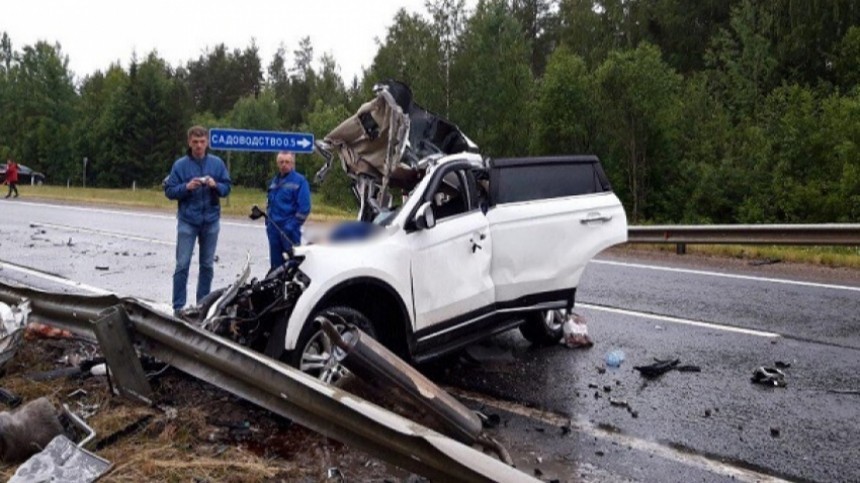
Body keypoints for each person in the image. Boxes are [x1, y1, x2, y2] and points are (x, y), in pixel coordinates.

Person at [163, 126, 231, 315]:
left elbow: (227, 188)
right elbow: (169, 191)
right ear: (189, 143)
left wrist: (215, 185)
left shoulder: (217, 164)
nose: (199, 146)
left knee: (207, 265)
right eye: (195, 142)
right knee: (182, 264)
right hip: (188, 220)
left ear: (207, 143)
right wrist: (187, 187)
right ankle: (178, 308)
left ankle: (202, 306)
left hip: (210, 220)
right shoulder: (180, 165)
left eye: (202, 142)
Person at [266, 151, 311, 270]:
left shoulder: (300, 181)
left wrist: (291, 227)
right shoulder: (274, 181)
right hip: (274, 230)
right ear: (277, 164)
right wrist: (268, 222)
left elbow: (304, 208)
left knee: (292, 266)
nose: (284, 165)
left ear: (292, 163)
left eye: (287, 162)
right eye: (281, 162)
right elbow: (271, 203)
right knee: (276, 267)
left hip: (289, 231)